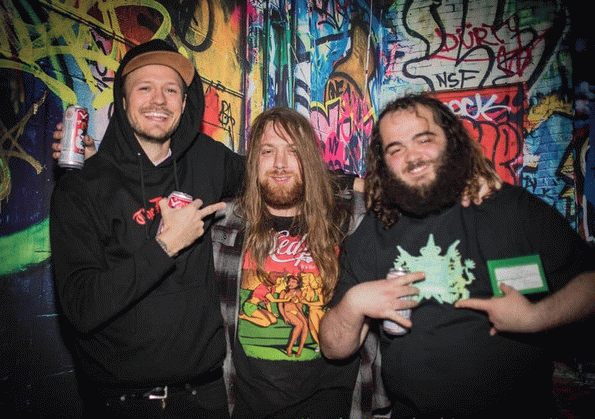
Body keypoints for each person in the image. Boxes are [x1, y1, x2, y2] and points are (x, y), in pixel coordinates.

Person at [319, 93, 595, 419]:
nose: (412, 157)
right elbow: (334, 349)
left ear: (451, 141)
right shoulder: (373, 232)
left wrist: (537, 317)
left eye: (424, 140)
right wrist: (353, 303)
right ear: (384, 163)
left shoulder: (508, 209)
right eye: (396, 149)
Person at [50, 39, 245, 418]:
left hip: (205, 398)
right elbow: (81, 307)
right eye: (145, 88)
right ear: (123, 101)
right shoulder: (83, 187)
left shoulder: (207, 160)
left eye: (171, 90)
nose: (159, 100)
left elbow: (274, 176)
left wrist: (354, 185)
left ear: (185, 103)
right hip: (123, 404)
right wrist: (166, 245)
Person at [211, 107, 372, 419]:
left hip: (333, 408)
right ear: (252, 161)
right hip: (248, 409)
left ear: (309, 159)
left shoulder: (351, 218)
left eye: (293, 151)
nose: (280, 164)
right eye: (267, 151)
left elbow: (412, 193)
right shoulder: (225, 224)